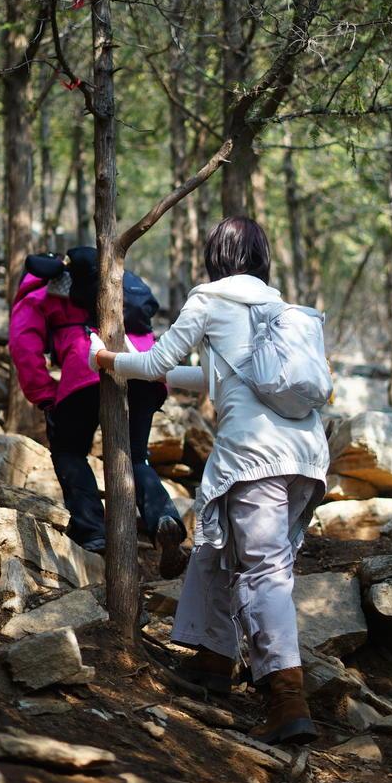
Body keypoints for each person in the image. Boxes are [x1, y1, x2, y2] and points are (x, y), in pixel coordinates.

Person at [92, 217, 330, 746]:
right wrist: (142, 370)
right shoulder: (278, 308)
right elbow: (213, 377)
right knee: (216, 550)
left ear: (216, 256)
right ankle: (212, 660)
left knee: (263, 570)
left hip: (255, 456)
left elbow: (157, 358)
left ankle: (287, 699)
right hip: (305, 456)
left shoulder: (210, 299)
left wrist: (106, 359)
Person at [8, 260, 187, 579]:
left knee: (69, 450)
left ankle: (92, 532)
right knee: (136, 457)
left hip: (89, 367)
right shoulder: (109, 281)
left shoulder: (38, 294)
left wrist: (45, 396)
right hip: (144, 369)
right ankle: (163, 518)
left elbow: (24, 346)